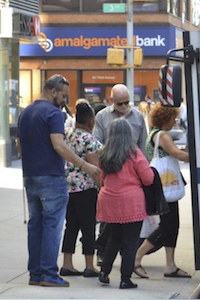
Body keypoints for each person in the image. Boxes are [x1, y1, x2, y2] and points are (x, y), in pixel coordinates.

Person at [17, 74, 101, 287]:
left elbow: (19, 146)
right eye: (63, 96)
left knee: (36, 224)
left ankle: (35, 273)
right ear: (52, 91)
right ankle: (49, 274)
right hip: (51, 177)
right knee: (52, 225)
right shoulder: (53, 114)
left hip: (30, 175)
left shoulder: (25, 112)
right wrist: (85, 165)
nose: (65, 101)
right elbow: (59, 145)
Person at [133, 103, 191, 279]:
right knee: (167, 225)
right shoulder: (162, 135)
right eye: (173, 118)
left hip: (162, 186)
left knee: (172, 225)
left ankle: (170, 265)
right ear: (165, 118)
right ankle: (136, 258)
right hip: (165, 187)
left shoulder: (154, 134)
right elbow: (177, 154)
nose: (175, 122)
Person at [96, 118, 154, 289]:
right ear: (129, 134)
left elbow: (102, 178)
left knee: (114, 238)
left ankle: (104, 272)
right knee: (130, 242)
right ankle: (125, 278)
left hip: (109, 201)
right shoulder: (134, 154)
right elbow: (148, 178)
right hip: (131, 202)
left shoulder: (104, 154)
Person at [93, 84, 148, 265]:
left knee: (127, 227)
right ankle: (102, 254)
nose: (124, 108)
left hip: (131, 173)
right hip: (110, 169)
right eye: (120, 104)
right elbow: (96, 144)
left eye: (126, 103)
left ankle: (124, 259)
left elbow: (143, 146)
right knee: (109, 223)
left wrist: (139, 167)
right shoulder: (102, 117)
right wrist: (111, 159)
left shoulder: (138, 117)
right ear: (111, 101)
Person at [60, 102, 102, 278]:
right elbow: (95, 168)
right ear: (90, 120)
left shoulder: (66, 134)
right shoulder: (90, 141)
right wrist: (102, 188)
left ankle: (67, 264)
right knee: (88, 227)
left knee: (71, 226)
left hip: (68, 187)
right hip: (86, 188)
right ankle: (89, 265)